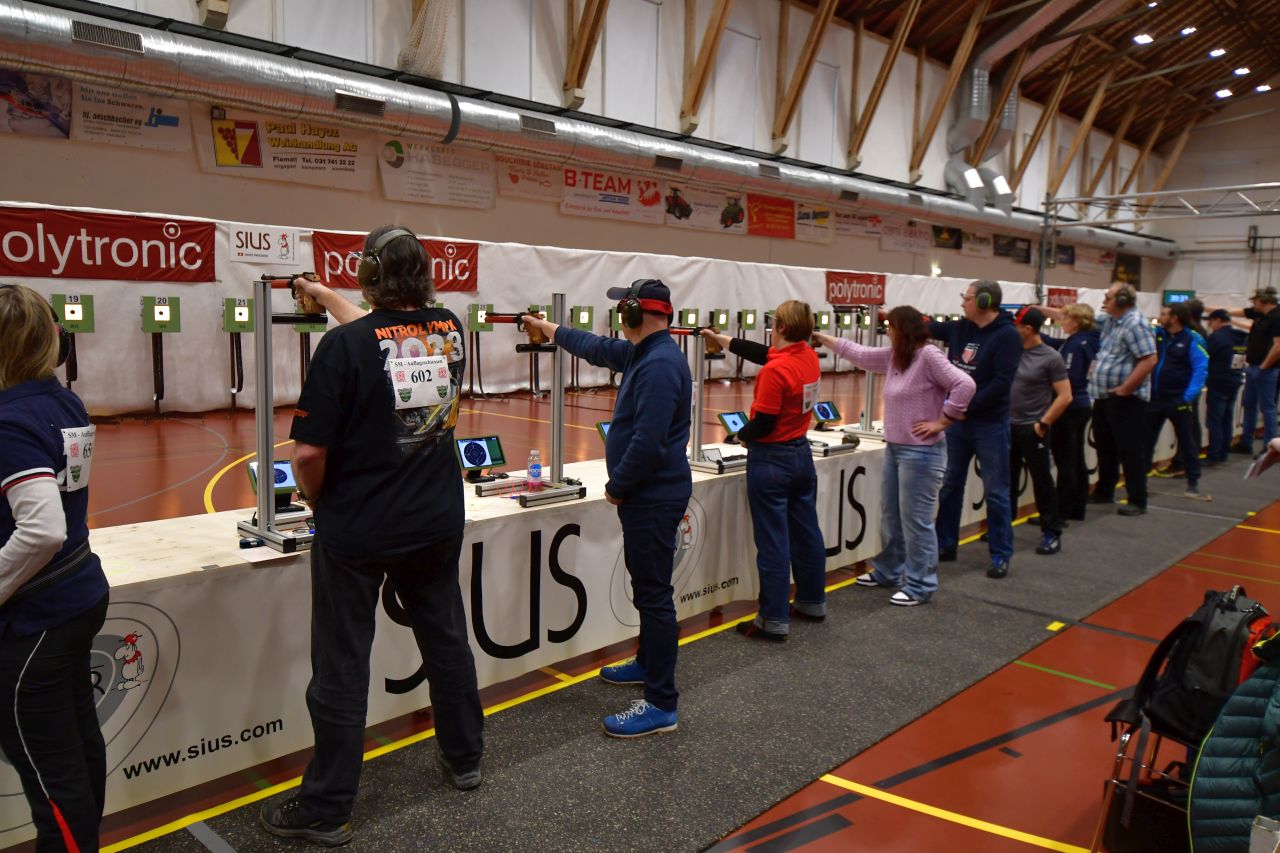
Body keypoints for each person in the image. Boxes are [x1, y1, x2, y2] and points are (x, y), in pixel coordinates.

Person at [261, 226, 484, 846]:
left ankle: (328, 804)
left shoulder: (343, 347)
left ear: (369, 273)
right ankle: (465, 757)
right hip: (435, 518)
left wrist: (317, 502)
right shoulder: (448, 329)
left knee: (341, 663)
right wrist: (322, 294)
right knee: (446, 640)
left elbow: (308, 455)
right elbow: (383, 333)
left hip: (360, 526)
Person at [522, 280, 691, 738]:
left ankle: (661, 703)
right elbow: (593, 347)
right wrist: (548, 327)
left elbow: (649, 442)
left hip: (651, 497)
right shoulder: (646, 353)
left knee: (653, 596)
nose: (618, 317)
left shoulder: (658, 365)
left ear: (635, 313)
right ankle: (647, 663)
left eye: (622, 309)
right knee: (648, 588)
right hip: (650, 495)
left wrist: (617, 487)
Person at [0, 284, 110, 853]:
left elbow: (42, 529)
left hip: (36, 615)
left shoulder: (10, 422)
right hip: (76, 593)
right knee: (77, 748)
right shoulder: (63, 401)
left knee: (51, 775)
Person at [814, 306, 974, 605]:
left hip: (922, 453)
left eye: (890, 327)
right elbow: (858, 353)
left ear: (903, 329)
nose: (887, 332)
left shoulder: (928, 356)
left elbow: (965, 384)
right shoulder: (895, 357)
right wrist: (820, 337)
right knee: (891, 515)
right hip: (897, 448)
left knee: (917, 521)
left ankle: (920, 585)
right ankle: (889, 571)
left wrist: (944, 420)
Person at [700, 301, 827, 636]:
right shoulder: (808, 356)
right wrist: (720, 339)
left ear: (781, 327)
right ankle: (812, 601)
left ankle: (773, 618)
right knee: (807, 533)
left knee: (773, 541)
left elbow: (765, 422)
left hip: (772, 460)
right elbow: (761, 352)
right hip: (801, 455)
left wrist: (740, 435)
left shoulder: (775, 371)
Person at [928, 280, 1022, 579]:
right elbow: (928, 327)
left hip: (989, 424)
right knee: (950, 485)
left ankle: (1000, 554)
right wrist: (892, 316)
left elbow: (1001, 384)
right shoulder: (960, 327)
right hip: (959, 422)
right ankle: (945, 543)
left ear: (983, 301)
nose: (962, 302)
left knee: (996, 492)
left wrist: (964, 407)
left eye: (966, 298)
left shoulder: (1007, 336)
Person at [1087, 282, 1158, 517]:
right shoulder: (1111, 320)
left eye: (1108, 297)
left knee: (1130, 450)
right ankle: (1105, 490)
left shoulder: (1135, 324)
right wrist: (1043, 310)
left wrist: (1127, 388)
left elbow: (1149, 359)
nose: (1104, 301)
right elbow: (1082, 318)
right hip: (1105, 395)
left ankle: (1137, 499)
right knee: (1105, 447)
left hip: (1127, 399)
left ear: (1122, 301)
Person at [1008, 307, 1072, 555]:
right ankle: (1003, 526)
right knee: (1007, 479)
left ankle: (1051, 532)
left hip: (1033, 427)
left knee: (1042, 480)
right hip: (1008, 425)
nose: (1014, 329)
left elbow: (1065, 396)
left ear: (1028, 329)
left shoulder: (1050, 357)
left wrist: (1043, 423)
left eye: (1017, 326)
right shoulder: (1011, 351)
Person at [1039, 303, 1099, 521]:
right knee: (1075, 458)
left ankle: (1062, 510)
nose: (1061, 322)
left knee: (1065, 460)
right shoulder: (1087, 340)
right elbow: (1057, 344)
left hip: (1069, 407)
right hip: (1081, 404)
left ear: (1076, 322)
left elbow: (1068, 377)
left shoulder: (1076, 345)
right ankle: (1076, 507)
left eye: (1065, 319)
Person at [1144, 302, 1208, 497]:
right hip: (1155, 398)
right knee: (1145, 441)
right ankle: (1139, 481)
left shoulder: (1192, 339)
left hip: (1178, 399)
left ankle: (1193, 481)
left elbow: (1200, 368)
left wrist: (1187, 397)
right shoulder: (1159, 335)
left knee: (1187, 441)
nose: (1160, 317)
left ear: (1175, 318)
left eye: (1164, 314)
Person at [1219, 288, 1280, 456]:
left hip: (1266, 369)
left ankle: (1270, 446)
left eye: (1255, 301)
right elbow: (1240, 312)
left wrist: (1264, 366)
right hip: (1254, 366)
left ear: (1264, 301)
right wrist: (1215, 311)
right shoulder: (1261, 314)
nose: (1253, 304)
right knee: (1249, 404)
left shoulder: (1276, 317)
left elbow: (1278, 346)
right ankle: (1246, 442)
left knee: (1267, 408)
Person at [1203, 308, 1248, 466]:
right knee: (1227, 418)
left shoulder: (1216, 338)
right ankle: (1223, 452)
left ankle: (1214, 455)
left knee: (1215, 420)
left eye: (1211, 321)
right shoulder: (1241, 337)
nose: (1210, 325)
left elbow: (1205, 356)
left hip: (1218, 381)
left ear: (1217, 320)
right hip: (1234, 380)